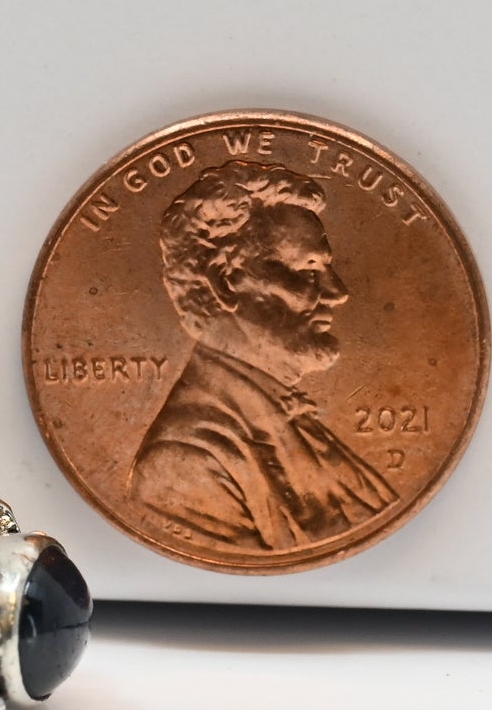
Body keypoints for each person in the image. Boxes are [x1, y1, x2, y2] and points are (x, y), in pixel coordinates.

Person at [131, 162, 400, 553]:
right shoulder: (187, 459)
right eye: (308, 269)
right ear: (225, 280)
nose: (337, 292)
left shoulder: (287, 421)